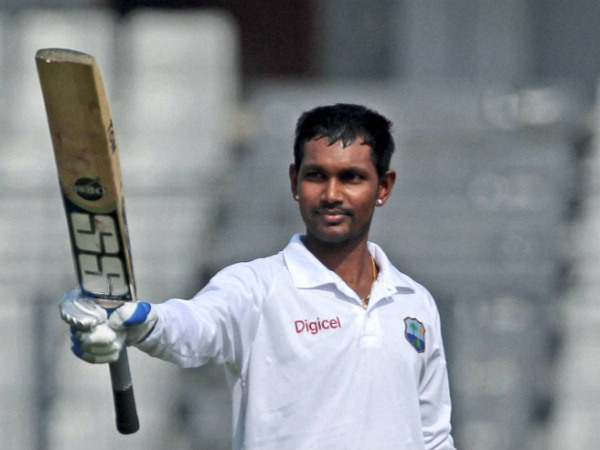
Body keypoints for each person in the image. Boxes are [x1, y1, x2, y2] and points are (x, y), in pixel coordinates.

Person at [63, 103, 456, 450]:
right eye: (316, 175)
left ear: (383, 187)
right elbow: (195, 326)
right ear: (294, 182)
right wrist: (140, 321)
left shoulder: (415, 301)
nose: (331, 194)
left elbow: (434, 437)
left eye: (351, 177)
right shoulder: (255, 287)